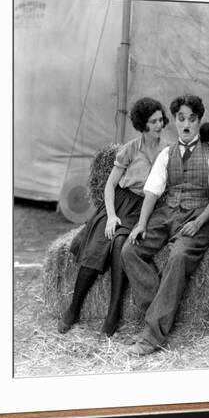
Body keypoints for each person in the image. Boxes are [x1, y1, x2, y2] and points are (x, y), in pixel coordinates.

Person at [121, 94, 209, 355]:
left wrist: (199, 223)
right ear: (175, 122)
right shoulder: (166, 154)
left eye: (192, 119)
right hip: (168, 213)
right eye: (181, 119)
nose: (186, 124)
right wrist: (141, 224)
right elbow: (152, 192)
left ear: (199, 121)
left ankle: (152, 336)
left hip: (200, 215)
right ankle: (161, 307)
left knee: (177, 257)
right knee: (129, 249)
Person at [58, 97, 169, 337]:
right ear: (142, 124)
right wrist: (110, 216)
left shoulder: (168, 152)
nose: (159, 125)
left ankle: (114, 312)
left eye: (161, 120)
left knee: (121, 243)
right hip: (120, 202)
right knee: (99, 243)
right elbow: (109, 186)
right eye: (153, 121)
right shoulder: (129, 149)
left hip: (145, 207)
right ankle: (74, 308)